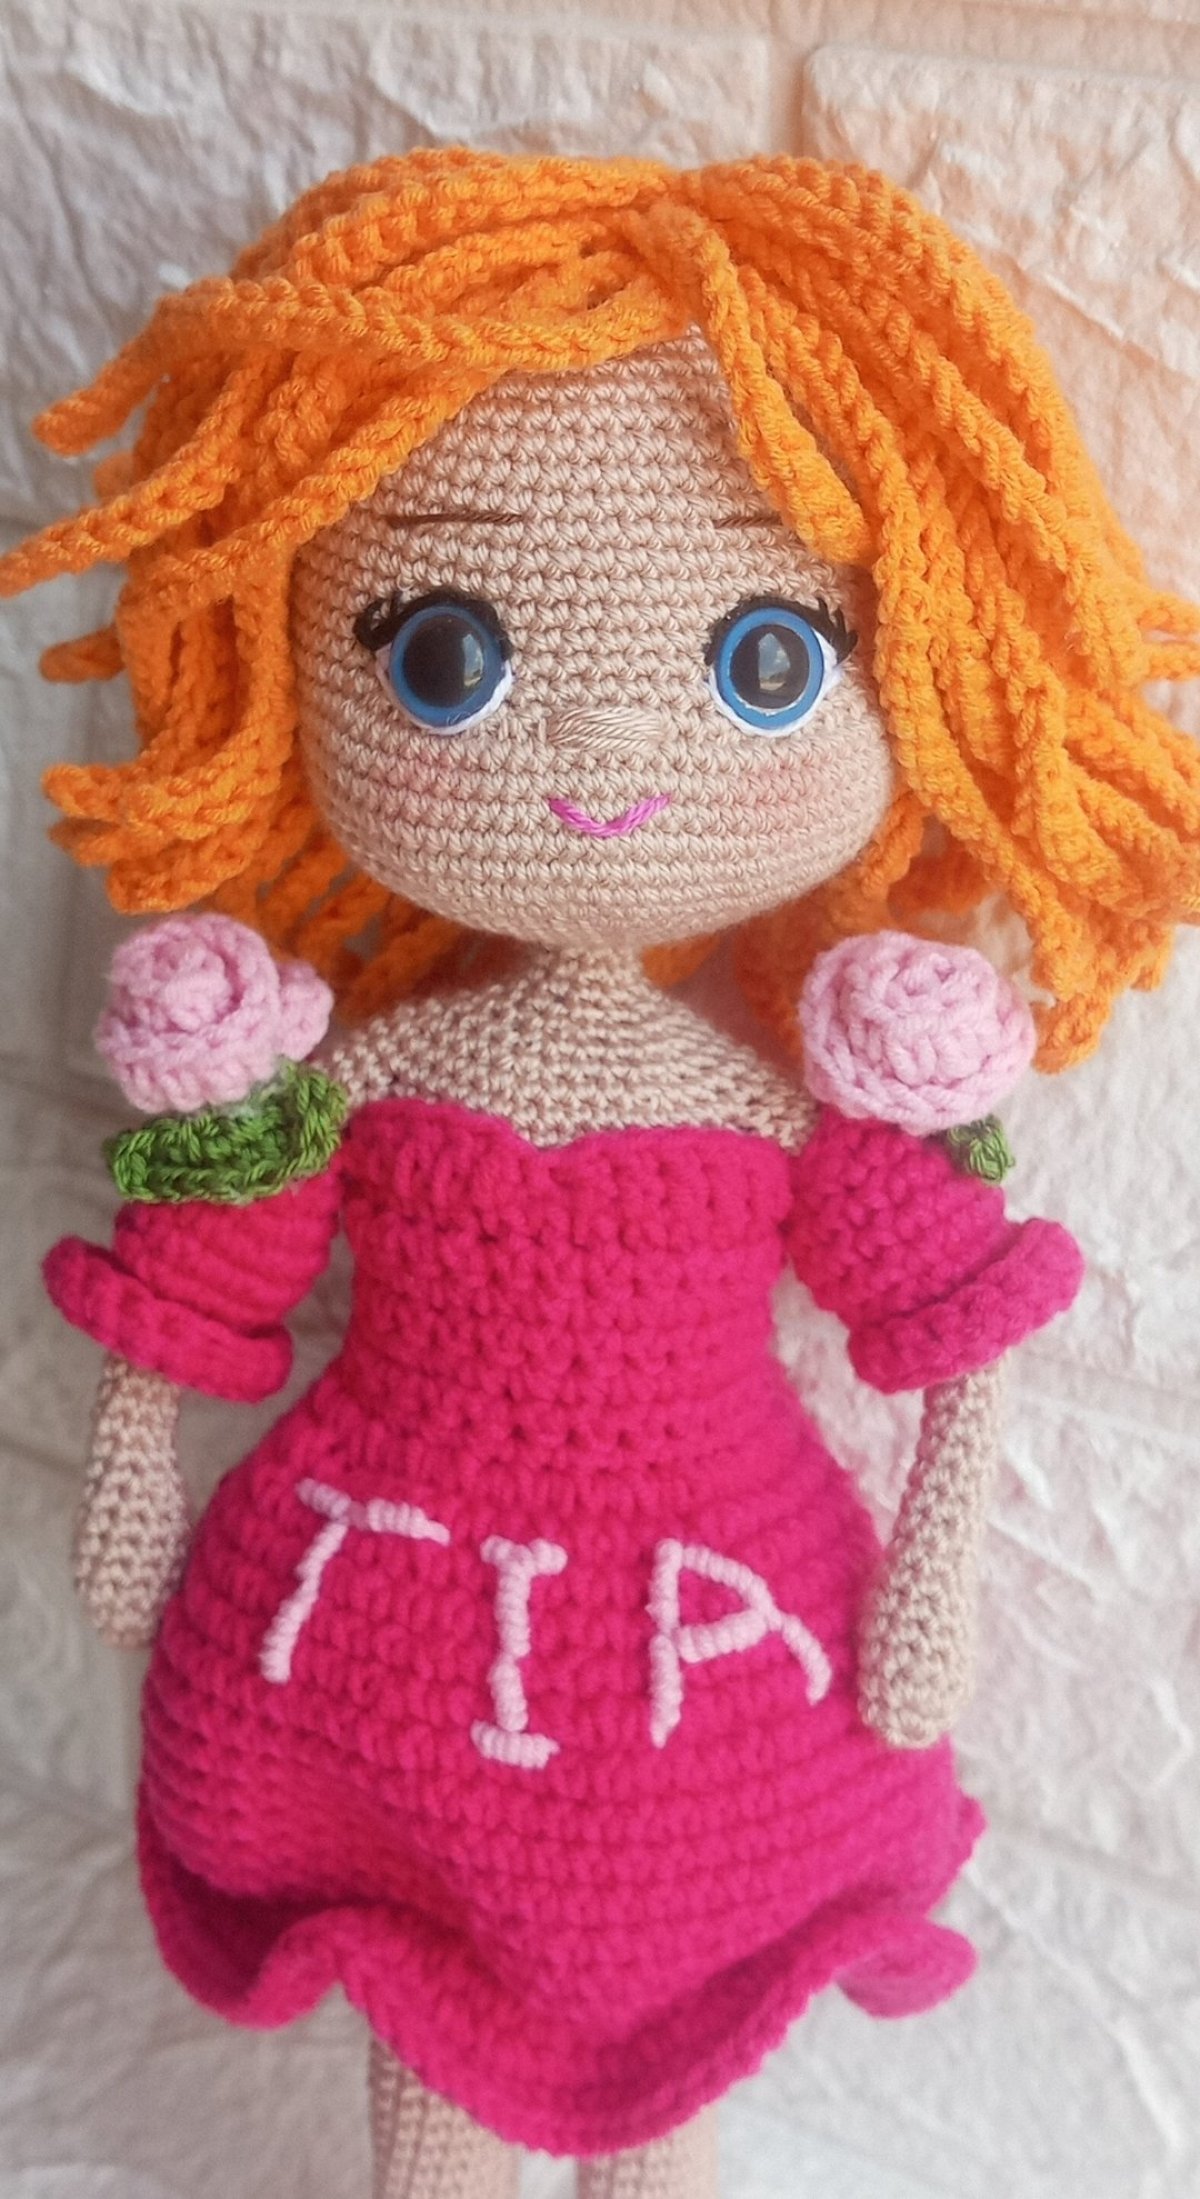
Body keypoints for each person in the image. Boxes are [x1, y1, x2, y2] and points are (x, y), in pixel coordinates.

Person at [4, 150, 1197, 2199]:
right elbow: (225, 1266)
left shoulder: (778, 1104)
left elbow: (939, 1317)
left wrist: (936, 1573)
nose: (605, 753)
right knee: (429, 2098)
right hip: (382, 1656)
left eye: (764, 658)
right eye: (445, 651)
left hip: (709, 1677)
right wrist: (137, 1439)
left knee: (673, 2095)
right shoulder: (373, 1075)